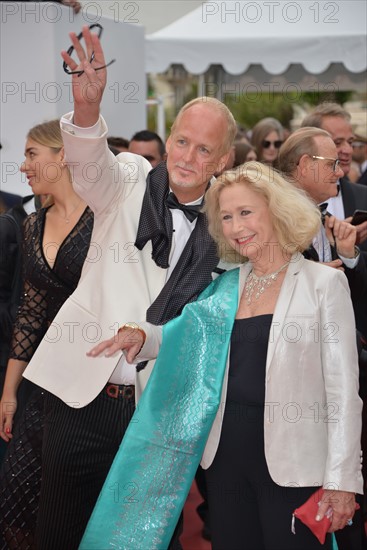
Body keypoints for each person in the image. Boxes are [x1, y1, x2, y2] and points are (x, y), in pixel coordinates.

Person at [22, 26, 236, 550]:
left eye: (203, 150)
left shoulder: (231, 228)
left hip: (155, 410)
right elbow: (90, 163)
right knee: (59, 534)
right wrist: (87, 108)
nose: (187, 156)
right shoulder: (129, 178)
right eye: (181, 141)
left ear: (224, 161)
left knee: (137, 540)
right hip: (82, 397)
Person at [85, 162, 363, 550]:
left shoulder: (324, 284)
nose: (235, 227)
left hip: (297, 467)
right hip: (225, 462)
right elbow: (178, 336)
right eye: (227, 217)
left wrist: (342, 480)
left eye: (246, 213)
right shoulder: (224, 288)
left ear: (277, 210)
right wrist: (141, 335)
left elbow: (343, 392)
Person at [0, 119, 93, 548]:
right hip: (45, 380)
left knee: (74, 501)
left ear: (63, 156)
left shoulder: (104, 220)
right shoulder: (32, 224)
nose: (24, 166)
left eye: (32, 155)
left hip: (97, 382)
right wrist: (9, 393)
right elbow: (29, 315)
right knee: (19, 491)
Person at [301, 103, 367, 250]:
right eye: (337, 142)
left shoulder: (364, 196)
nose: (348, 150)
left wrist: (350, 252)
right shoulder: (284, 201)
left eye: (350, 142)